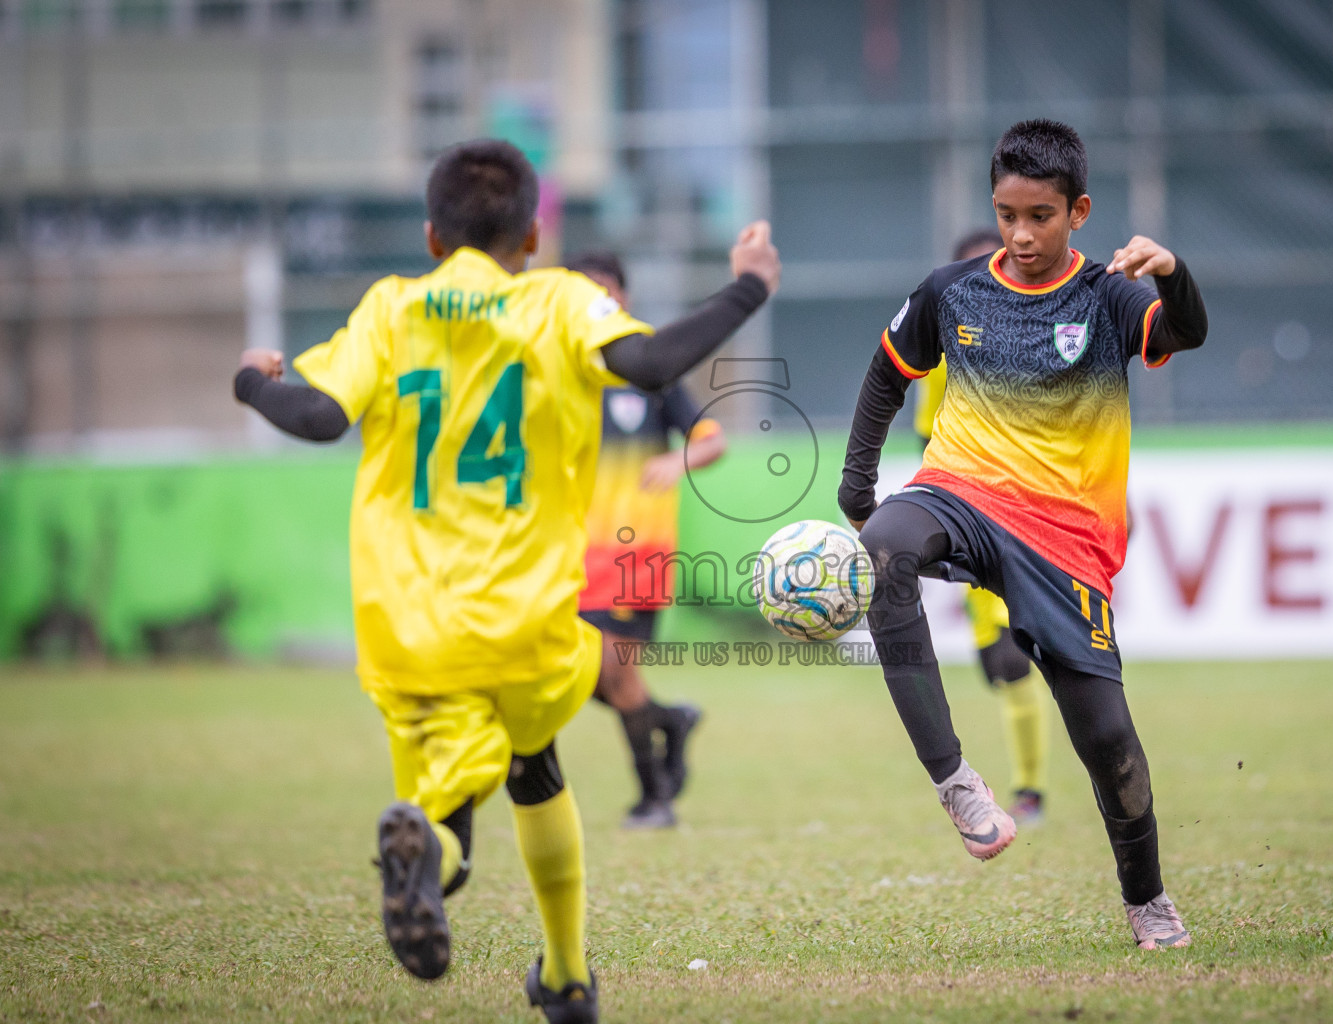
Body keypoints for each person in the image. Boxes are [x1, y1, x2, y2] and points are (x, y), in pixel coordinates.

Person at [232, 138, 779, 1022]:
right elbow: (648, 363)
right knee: (534, 760)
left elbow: (319, 413)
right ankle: (565, 975)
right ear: (533, 235)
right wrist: (749, 285)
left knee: (448, 791)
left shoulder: (390, 309)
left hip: (405, 625)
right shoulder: (559, 301)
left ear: (430, 235)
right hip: (530, 616)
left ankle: (439, 869)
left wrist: (253, 384)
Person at [838, 120, 1208, 951]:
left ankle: (1145, 898)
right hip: (961, 489)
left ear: (1078, 211)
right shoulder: (951, 290)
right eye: (1007, 214)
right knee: (886, 553)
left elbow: (1183, 333)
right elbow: (885, 373)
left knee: (1109, 742)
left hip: (1065, 533)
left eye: (1040, 216)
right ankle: (957, 783)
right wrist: (857, 488)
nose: (1021, 234)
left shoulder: (1110, 295)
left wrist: (1174, 274)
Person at [566, 250, 724, 830]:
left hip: (638, 554)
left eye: (605, 294)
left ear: (623, 301)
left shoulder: (650, 374)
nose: (596, 306)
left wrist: (677, 461)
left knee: (616, 672)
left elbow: (712, 440)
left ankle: (655, 797)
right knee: (578, 676)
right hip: (573, 555)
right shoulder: (560, 374)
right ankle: (671, 721)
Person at [911, 228, 1050, 827]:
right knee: (997, 666)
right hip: (973, 516)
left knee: (1015, 660)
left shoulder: (1041, 336)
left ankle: (1031, 791)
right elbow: (928, 437)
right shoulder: (944, 352)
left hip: (1031, 520)